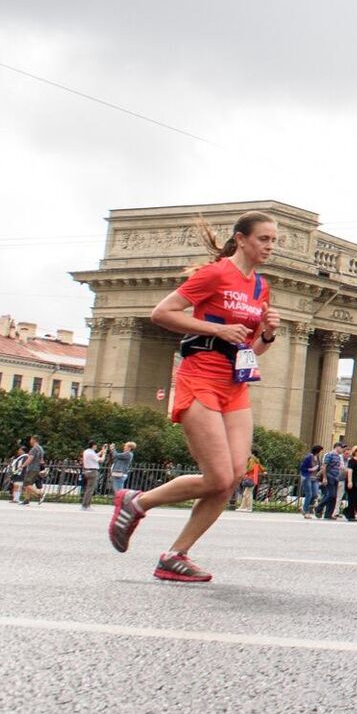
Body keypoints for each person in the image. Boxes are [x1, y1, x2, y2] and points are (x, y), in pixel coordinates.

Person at [107, 211, 280, 582]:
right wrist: (215, 330)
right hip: (200, 375)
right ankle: (137, 502)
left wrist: (265, 335)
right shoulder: (214, 274)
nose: (269, 246)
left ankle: (175, 555)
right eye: (264, 239)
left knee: (232, 477)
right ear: (242, 239)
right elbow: (162, 312)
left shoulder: (260, 287)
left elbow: (248, 347)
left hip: (234, 384)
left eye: (273, 241)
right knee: (217, 475)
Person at [316, 442, 346, 520]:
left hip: (336, 478)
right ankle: (319, 508)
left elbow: (339, 467)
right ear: (337, 447)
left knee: (334, 497)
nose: (343, 449)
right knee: (331, 495)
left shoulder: (339, 457)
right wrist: (324, 478)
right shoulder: (330, 455)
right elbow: (324, 466)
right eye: (342, 447)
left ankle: (328, 514)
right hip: (329, 477)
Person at [11, 436, 43, 505]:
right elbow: (41, 460)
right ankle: (26, 500)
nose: (30, 441)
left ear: (34, 440)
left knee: (27, 484)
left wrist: (23, 465)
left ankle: (40, 493)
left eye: (31, 439)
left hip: (32, 468)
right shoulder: (41, 449)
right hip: (37, 468)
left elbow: (30, 458)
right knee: (29, 484)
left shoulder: (34, 449)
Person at [298, 445, 321, 518]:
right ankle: (306, 511)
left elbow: (318, 467)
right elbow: (302, 468)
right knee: (309, 494)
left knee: (315, 494)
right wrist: (311, 469)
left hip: (315, 478)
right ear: (317, 451)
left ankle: (305, 507)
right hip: (307, 477)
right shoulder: (308, 457)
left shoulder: (317, 458)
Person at [80, 442, 104, 509]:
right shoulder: (91, 453)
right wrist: (104, 454)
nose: (96, 447)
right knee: (90, 489)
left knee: (88, 488)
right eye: (95, 445)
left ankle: (86, 505)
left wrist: (101, 451)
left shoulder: (86, 451)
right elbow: (101, 460)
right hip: (93, 471)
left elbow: (94, 456)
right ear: (93, 446)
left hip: (87, 470)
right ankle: (85, 505)